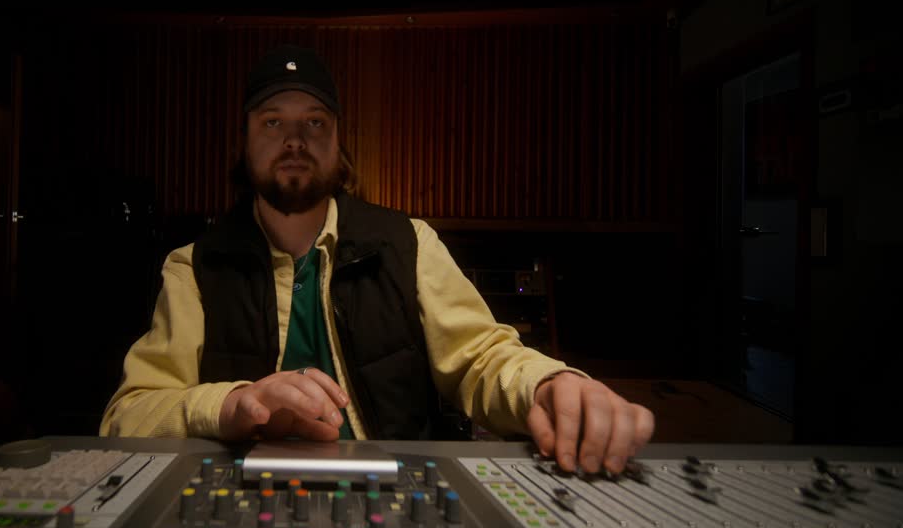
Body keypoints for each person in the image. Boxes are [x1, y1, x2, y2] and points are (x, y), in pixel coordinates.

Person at [101, 44, 655, 474]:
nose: (294, 139)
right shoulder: (192, 265)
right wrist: (233, 405)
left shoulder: (410, 242)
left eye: (315, 121)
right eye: (272, 121)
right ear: (244, 143)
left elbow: (482, 359)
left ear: (339, 142)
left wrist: (548, 385)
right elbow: (128, 416)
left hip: (396, 489)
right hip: (243, 492)